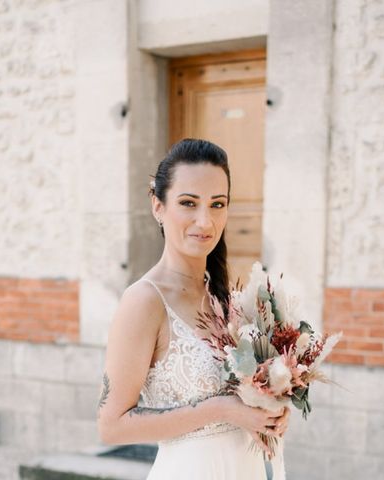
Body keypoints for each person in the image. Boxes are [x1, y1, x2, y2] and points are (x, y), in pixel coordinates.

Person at [97, 139, 289, 479]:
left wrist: (268, 408)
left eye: (217, 204)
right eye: (189, 203)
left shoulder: (228, 298)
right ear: (158, 205)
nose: (205, 221)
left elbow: (247, 396)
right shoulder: (144, 301)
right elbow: (112, 427)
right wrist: (221, 409)